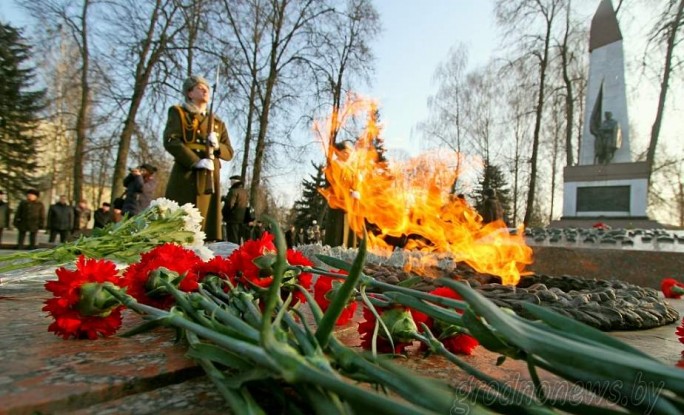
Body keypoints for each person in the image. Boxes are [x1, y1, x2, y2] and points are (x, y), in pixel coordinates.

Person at [163, 75, 234, 241]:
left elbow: (229, 152)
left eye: (207, 89)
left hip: (210, 173)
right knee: (183, 217)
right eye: (200, 88)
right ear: (189, 93)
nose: (205, 91)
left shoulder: (217, 122)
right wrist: (195, 161)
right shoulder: (179, 113)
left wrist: (217, 147)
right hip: (187, 172)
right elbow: (171, 140)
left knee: (207, 220)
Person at [222, 175, 249, 244]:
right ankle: (239, 253)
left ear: (234, 182)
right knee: (239, 239)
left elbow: (230, 204)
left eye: (231, 181)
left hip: (232, 219)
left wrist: (224, 213)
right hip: (242, 219)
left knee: (232, 240)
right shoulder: (245, 192)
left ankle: (233, 253)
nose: (230, 183)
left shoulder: (233, 191)